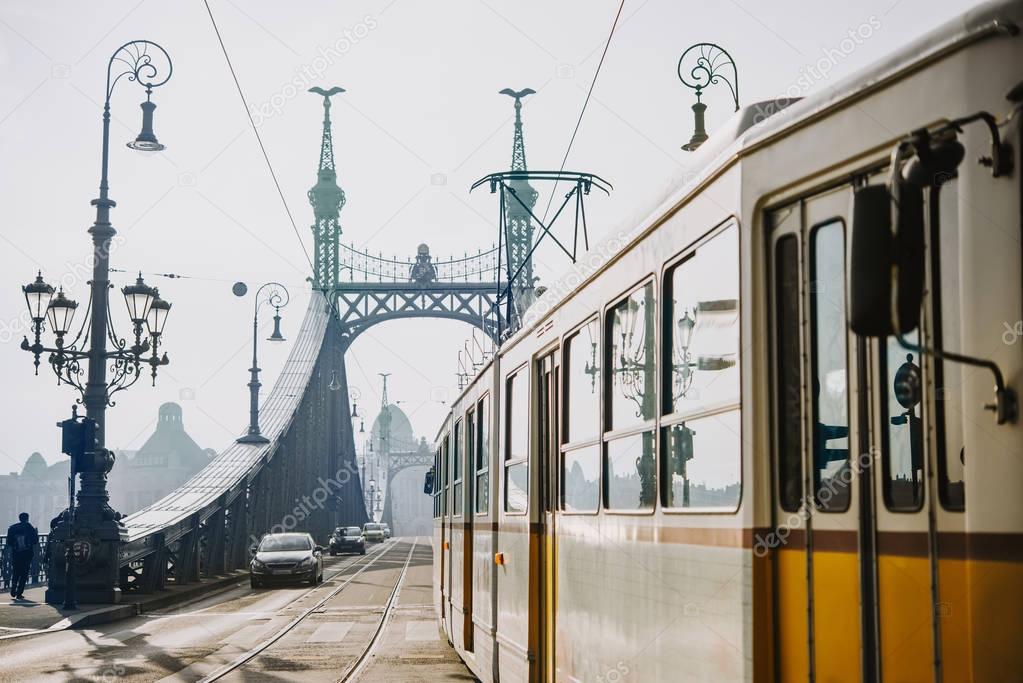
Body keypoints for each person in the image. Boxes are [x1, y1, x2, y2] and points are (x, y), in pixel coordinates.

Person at [6, 512, 39, 600]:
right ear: (27, 518)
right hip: (27, 554)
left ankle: (13, 587)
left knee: (16, 572)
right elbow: (35, 540)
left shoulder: (12, 528)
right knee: (24, 574)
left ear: (19, 518)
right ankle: (19, 593)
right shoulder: (29, 527)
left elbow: (9, 542)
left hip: (16, 554)